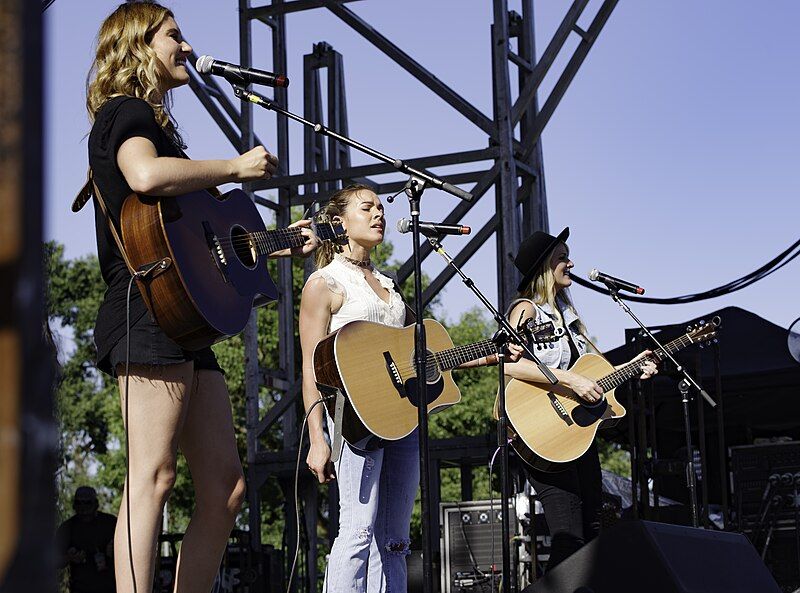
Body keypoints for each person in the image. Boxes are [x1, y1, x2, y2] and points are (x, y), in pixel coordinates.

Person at [84, 4, 319, 592]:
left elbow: (198, 245)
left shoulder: (159, 125)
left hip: (182, 317)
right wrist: (235, 167)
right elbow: (143, 177)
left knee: (226, 487)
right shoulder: (128, 113)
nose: (187, 47)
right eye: (174, 36)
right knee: (153, 476)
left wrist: (269, 245)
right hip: (145, 309)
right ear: (140, 45)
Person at [299, 185, 519, 592]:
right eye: (367, 208)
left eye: (382, 208)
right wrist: (318, 438)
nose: (379, 214)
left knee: (396, 540)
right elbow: (310, 368)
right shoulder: (324, 283)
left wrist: (491, 353)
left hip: (402, 420)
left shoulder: (390, 286)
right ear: (340, 222)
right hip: (353, 420)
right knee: (357, 532)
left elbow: (429, 352)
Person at [501, 227, 658, 570]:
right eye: (562, 258)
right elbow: (508, 364)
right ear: (545, 267)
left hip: (576, 434)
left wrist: (632, 367)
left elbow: (591, 375)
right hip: (539, 430)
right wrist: (570, 378)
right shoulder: (526, 309)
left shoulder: (570, 318)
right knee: (568, 532)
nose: (570, 263)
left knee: (593, 526)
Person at [57, 486, 117, 593]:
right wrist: (70, 558)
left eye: (87, 503)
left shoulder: (111, 523)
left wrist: (116, 552)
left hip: (109, 588)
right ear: (74, 505)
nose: (83, 508)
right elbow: (53, 561)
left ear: (96, 504)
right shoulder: (67, 528)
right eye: (79, 503)